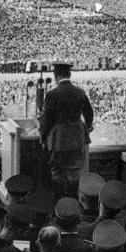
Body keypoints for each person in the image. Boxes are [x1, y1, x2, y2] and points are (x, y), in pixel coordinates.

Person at [38, 62, 93, 197]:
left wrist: (43, 137)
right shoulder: (79, 92)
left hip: (59, 140)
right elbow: (89, 113)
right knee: (74, 173)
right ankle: (72, 204)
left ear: (55, 75)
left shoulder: (52, 94)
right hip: (77, 139)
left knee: (57, 173)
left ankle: (59, 206)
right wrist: (87, 127)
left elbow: (47, 120)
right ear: (69, 74)